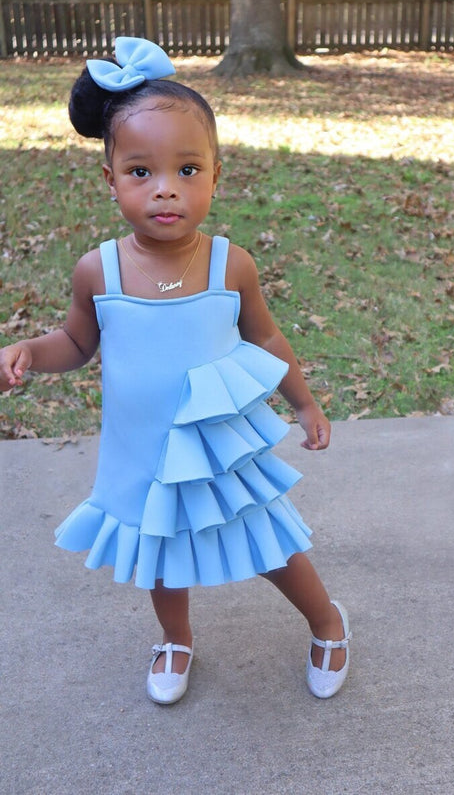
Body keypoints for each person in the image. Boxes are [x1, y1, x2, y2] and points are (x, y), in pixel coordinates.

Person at [0, 37, 351, 704]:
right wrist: (25, 352)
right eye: (141, 171)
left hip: (217, 445)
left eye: (187, 169)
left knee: (267, 541)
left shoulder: (230, 265)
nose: (166, 187)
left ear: (216, 174)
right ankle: (176, 637)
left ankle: (327, 620)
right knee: (160, 551)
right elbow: (75, 342)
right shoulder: (98, 269)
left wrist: (303, 403)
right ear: (111, 180)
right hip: (144, 447)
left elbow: (267, 337)